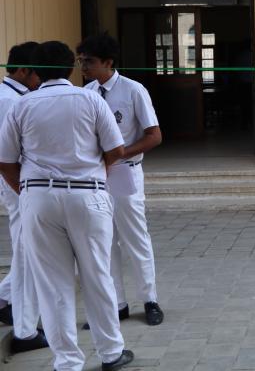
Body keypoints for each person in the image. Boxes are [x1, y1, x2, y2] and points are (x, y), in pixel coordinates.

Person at [0, 41, 134, 371]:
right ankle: (111, 353)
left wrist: (27, 193)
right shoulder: (90, 99)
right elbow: (116, 150)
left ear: (35, 71)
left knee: (52, 284)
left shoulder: (22, 105)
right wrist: (94, 172)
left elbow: (6, 162)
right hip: (87, 196)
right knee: (97, 276)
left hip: (39, 200)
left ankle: (67, 362)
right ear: (72, 68)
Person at [77, 33, 164, 327]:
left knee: (135, 237)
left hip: (125, 170)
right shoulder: (86, 92)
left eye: (89, 61)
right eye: (81, 61)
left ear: (108, 62)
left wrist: (120, 153)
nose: (83, 67)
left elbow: (154, 136)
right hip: (97, 174)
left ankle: (150, 300)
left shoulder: (133, 90)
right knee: (103, 240)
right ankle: (117, 304)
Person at [0, 41, 49, 355]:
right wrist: (25, 190)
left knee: (26, 248)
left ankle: (5, 299)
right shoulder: (9, 101)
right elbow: (8, 154)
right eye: (36, 74)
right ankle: (25, 330)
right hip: (17, 182)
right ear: (21, 71)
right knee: (27, 250)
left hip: (21, 182)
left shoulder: (14, 97)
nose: (40, 80)